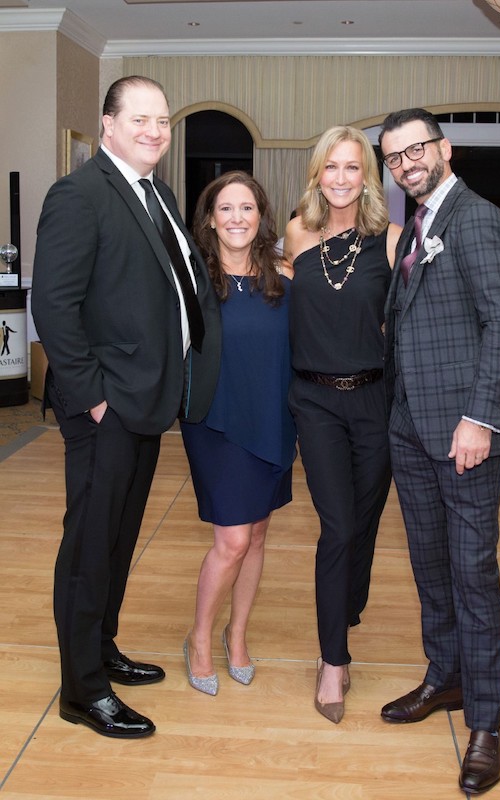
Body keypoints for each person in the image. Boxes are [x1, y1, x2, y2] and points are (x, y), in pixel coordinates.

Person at [31, 76, 220, 738]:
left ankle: (100, 649)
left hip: (146, 403)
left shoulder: (155, 193)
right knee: (88, 547)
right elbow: (52, 306)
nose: (154, 130)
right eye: (139, 118)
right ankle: (82, 691)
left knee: (116, 540)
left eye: (163, 120)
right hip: (105, 408)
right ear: (107, 125)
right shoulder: (79, 195)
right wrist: (94, 398)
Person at [378, 108, 500, 794]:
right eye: (394, 158)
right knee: (430, 567)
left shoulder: (475, 216)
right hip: (409, 428)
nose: (405, 164)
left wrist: (479, 418)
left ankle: (486, 725)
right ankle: (443, 680)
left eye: (414, 151)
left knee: (472, 576)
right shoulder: (417, 223)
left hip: (462, 432)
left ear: (443, 148)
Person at [284, 126, 400, 724]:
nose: (340, 178)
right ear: (317, 174)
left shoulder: (391, 241)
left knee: (363, 523)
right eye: (331, 167)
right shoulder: (296, 234)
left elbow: (408, 330)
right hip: (315, 403)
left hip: (373, 403)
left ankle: (346, 608)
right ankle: (334, 659)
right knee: (337, 527)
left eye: (352, 168)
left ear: (367, 177)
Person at [180, 171, 296, 696]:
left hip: (273, 416)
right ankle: (200, 639)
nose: (236, 218)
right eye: (225, 209)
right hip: (218, 421)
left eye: (246, 208)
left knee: (259, 535)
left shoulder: (283, 277)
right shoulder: (192, 280)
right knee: (233, 538)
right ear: (209, 218)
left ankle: (238, 633)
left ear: (261, 216)